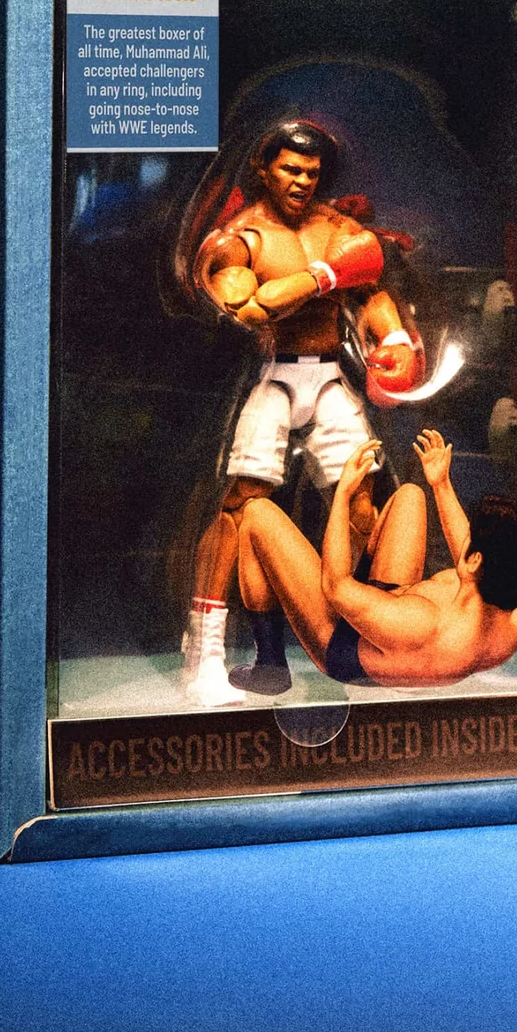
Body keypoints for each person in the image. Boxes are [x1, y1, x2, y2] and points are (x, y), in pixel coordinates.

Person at [182, 119, 420, 705]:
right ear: (263, 170)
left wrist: (394, 338)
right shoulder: (243, 238)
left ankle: (359, 630)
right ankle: (207, 649)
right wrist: (322, 277)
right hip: (274, 377)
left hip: (331, 375)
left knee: (362, 497)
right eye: (290, 169)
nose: (302, 182)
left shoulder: (338, 228)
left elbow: (372, 293)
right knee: (241, 503)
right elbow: (245, 302)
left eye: (311, 173)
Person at [233, 431, 517, 689]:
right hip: (387, 618)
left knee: (258, 514)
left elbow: (336, 587)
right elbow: (483, 550)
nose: (464, 538)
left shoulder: (423, 624)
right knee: (410, 495)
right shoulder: (512, 613)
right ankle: (362, 593)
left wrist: (343, 493)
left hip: (342, 646)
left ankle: (269, 667)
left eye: (470, 538)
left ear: (474, 560)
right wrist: (441, 484)